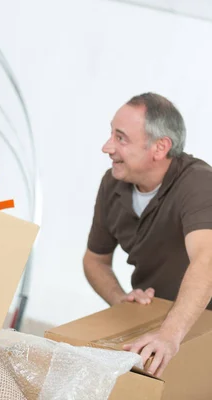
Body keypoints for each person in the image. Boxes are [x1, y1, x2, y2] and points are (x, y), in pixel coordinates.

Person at [84, 93, 212, 378]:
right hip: (154, 319)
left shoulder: (199, 183)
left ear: (160, 147)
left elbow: (207, 260)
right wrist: (121, 300)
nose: (107, 147)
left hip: (201, 325)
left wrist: (169, 335)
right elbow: (95, 260)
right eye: (111, 135)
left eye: (121, 138)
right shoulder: (112, 183)